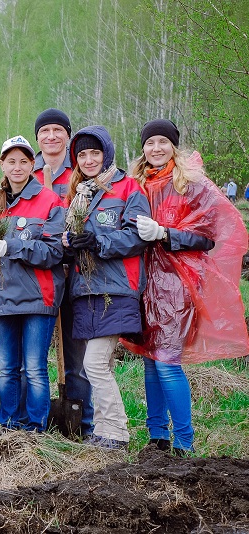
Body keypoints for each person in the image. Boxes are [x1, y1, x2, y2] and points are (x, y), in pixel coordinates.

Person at [124, 119, 249, 455]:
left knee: (166, 361)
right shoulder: (136, 183)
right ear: (143, 148)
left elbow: (210, 236)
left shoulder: (192, 184)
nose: (156, 149)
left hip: (177, 286)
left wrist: (165, 234)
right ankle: (157, 438)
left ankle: (183, 443)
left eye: (163, 142)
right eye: (150, 143)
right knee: (150, 361)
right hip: (143, 283)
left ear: (174, 146)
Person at [0, 136, 65, 431]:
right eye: (11, 161)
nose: (17, 167)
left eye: (24, 161)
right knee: (7, 369)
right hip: (2, 296)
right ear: (2, 164)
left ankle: (35, 428)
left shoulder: (49, 201)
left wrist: (12, 247)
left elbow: (55, 252)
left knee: (34, 369)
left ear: (33, 165)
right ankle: (9, 425)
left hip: (38, 297)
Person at [62, 125, 150, 450]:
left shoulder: (128, 188)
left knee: (94, 364)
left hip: (116, 288)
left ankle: (117, 432)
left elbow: (138, 235)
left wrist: (99, 241)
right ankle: (102, 430)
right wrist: (70, 244)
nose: (88, 159)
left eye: (94, 153)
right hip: (86, 291)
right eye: (82, 154)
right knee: (101, 364)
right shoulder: (79, 195)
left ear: (107, 154)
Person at [32, 108, 94, 436]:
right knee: (33, 356)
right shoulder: (28, 171)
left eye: (58, 130)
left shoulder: (79, 173)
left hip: (76, 276)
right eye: (45, 131)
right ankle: (35, 421)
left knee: (77, 354)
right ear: (37, 137)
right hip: (38, 277)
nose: (52, 136)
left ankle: (81, 423)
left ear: (67, 135)